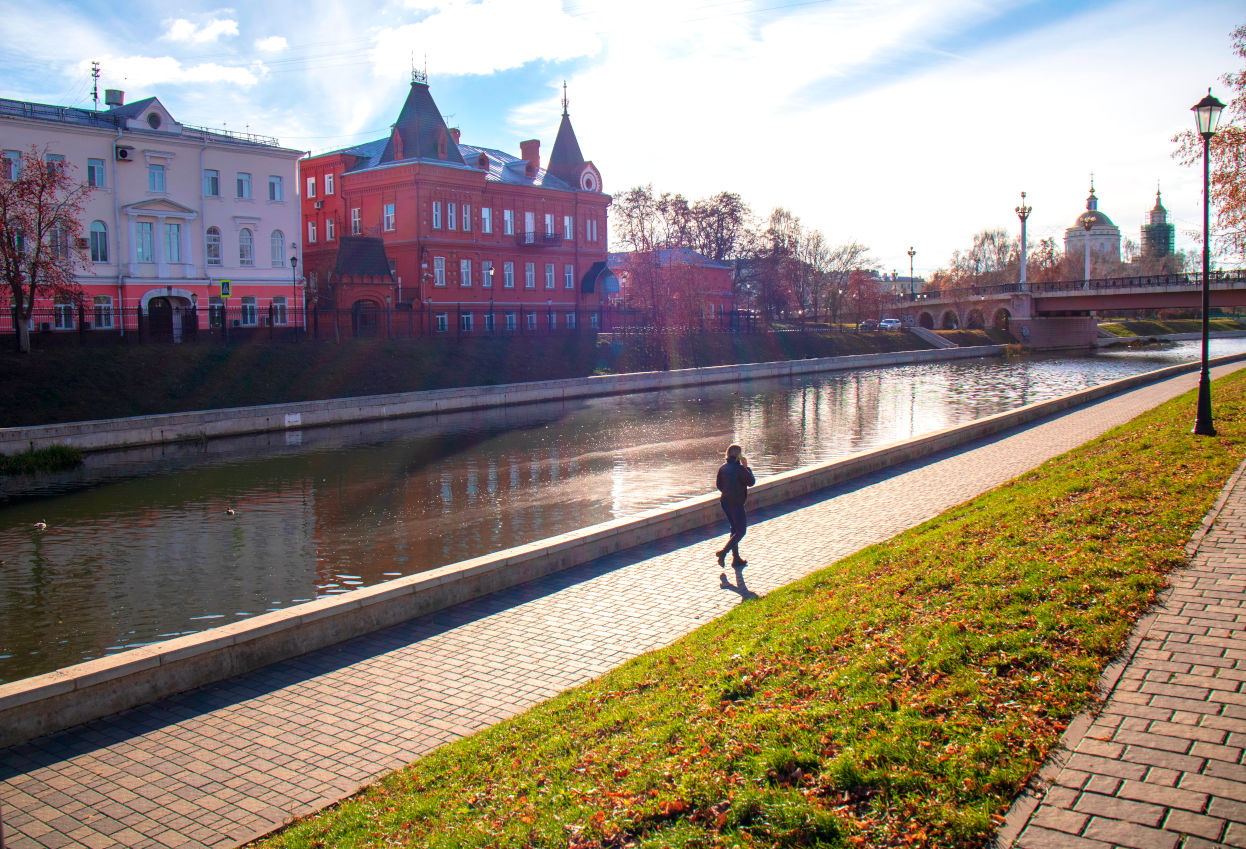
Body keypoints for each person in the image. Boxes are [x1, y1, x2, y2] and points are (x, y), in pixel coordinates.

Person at [715, 443, 755, 569]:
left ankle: (736, 558)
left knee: (734, 529)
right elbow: (751, 482)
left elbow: (719, 486)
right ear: (739, 455)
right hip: (736, 503)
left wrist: (728, 492)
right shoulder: (741, 469)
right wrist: (747, 468)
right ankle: (723, 552)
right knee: (741, 531)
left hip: (725, 502)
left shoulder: (723, 468)